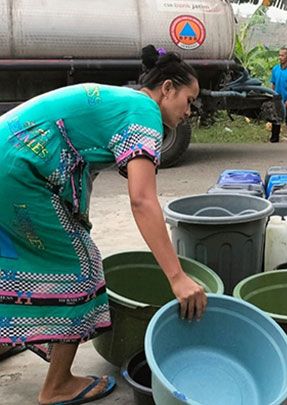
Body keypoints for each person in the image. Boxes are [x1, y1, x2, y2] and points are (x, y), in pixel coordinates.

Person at [0, 45, 207, 405]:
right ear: (168, 88)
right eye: (189, 100)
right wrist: (177, 277)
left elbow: (77, 159)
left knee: (16, 261)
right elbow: (142, 199)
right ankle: (57, 386)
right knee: (80, 268)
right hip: (18, 172)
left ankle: (9, 337)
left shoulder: (125, 102)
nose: (188, 112)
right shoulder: (144, 113)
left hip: (10, 161)